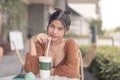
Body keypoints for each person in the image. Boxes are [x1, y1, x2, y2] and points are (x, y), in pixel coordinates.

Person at [24, 8, 79, 78]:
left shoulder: (70, 44)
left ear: (66, 31)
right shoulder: (41, 43)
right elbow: (31, 71)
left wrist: (48, 70)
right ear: (48, 25)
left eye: (60, 29)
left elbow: (73, 72)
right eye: (52, 26)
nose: (54, 32)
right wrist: (32, 41)